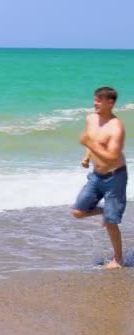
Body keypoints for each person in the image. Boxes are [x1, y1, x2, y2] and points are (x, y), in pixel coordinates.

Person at [72, 86, 127, 269]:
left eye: (98, 100)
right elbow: (93, 139)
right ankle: (104, 211)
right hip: (96, 175)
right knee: (78, 212)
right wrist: (87, 156)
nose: (94, 103)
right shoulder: (91, 119)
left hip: (115, 177)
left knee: (111, 222)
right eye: (94, 99)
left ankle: (118, 259)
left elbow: (112, 158)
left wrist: (88, 143)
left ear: (110, 102)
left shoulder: (116, 127)